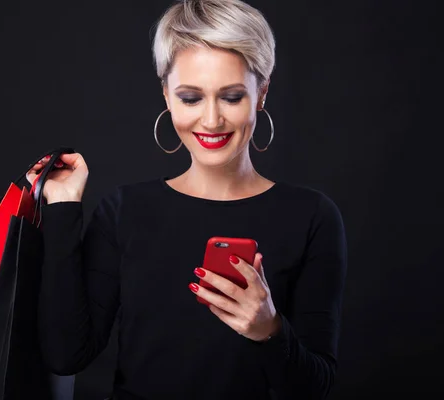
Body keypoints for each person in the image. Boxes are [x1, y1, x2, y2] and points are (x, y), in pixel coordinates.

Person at [27, 0, 347, 399]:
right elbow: (66, 356)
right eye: (191, 98)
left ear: (262, 92)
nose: (211, 120)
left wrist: (269, 330)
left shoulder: (312, 217)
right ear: (166, 94)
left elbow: (314, 386)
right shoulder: (124, 212)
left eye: (231, 97)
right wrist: (62, 207)